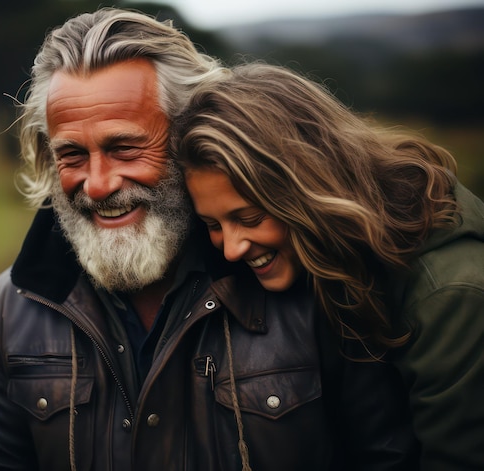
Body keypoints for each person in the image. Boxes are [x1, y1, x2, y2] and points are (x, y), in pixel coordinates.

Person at [0, 9, 418, 470]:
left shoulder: (312, 280)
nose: (96, 184)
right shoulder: (7, 312)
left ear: (188, 137)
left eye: (124, 148)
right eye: (72, 155)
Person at [173, 62, 484, 471]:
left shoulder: (450, 293)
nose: (231, 249)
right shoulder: (336, 253)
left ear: (309, 188)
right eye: (213, 225)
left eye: (249, 219)